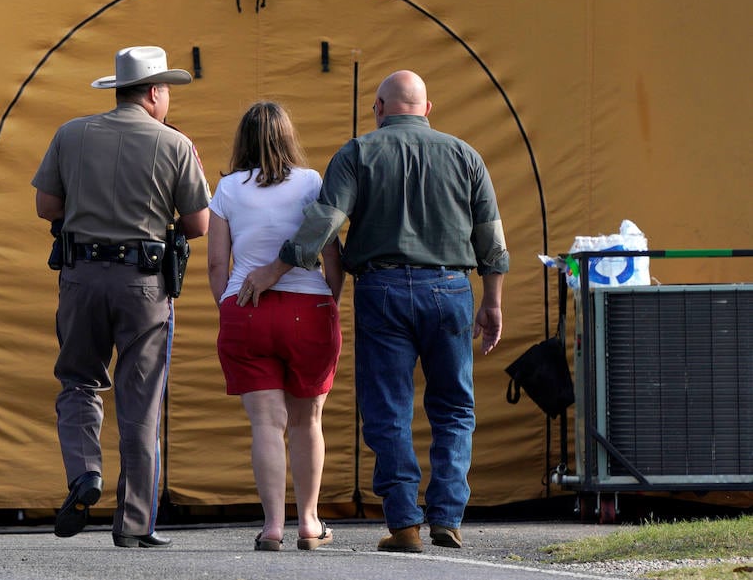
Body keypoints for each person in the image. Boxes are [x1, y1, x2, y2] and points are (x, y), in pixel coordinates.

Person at [240, 71, 508, 553]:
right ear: (428, 109)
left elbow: (326, 221)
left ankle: (404, 522)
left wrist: (276, 270)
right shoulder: (467, 156)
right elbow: (490, 237)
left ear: (379, 108)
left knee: (388, 409)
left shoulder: (357, 153)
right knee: (453, 406)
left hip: (382, 290)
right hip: (451, 287)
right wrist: (492, 301)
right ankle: (447, 515)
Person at [32, 46, 211, 548]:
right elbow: (198, 224)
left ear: (119, 89)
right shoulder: (174, 145)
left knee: (78, 381)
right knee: (141, 402)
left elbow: (47, 205)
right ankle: (134, 524)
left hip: (81, 277)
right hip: (145, 284)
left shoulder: (71, 134)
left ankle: (84, 473)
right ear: (155, 92)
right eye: (167, 89)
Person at [207, 101, 344, 551]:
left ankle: (272, 527)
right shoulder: (312, 183)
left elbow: (216, 263)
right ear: (288, 136)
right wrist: (331, 300)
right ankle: (309, 521)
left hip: (248, 307)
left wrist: (230, 307)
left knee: (266, 424)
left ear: (241, 141)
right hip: (310, 308)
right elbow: (331, 255)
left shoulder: (226, 189)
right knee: (308, 421)